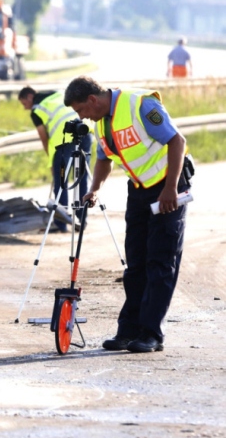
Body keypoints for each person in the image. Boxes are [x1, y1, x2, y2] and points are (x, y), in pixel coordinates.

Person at [64, 76, 189, 353]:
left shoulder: (140, 104)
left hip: (168, 187)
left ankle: (151, 334)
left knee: (160, 262)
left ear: (93, 100)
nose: (82, 117)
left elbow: (177, 141)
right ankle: (128, 330)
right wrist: (94, 189)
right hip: (139, 190)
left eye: (81, 110)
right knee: (135, 265)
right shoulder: (102, 122)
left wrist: (170, 188)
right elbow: (104, 158)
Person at [18, 86, 92, 233]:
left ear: (29, 97)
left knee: (61, 182)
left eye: (24, 103)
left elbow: (43, 137)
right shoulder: (59, 94)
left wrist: (51, 160)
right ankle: (81, 221)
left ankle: (61, 224)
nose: (25, 108)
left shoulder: (36, 109)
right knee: (81, 178)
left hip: (64, 141)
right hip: (85, 131)